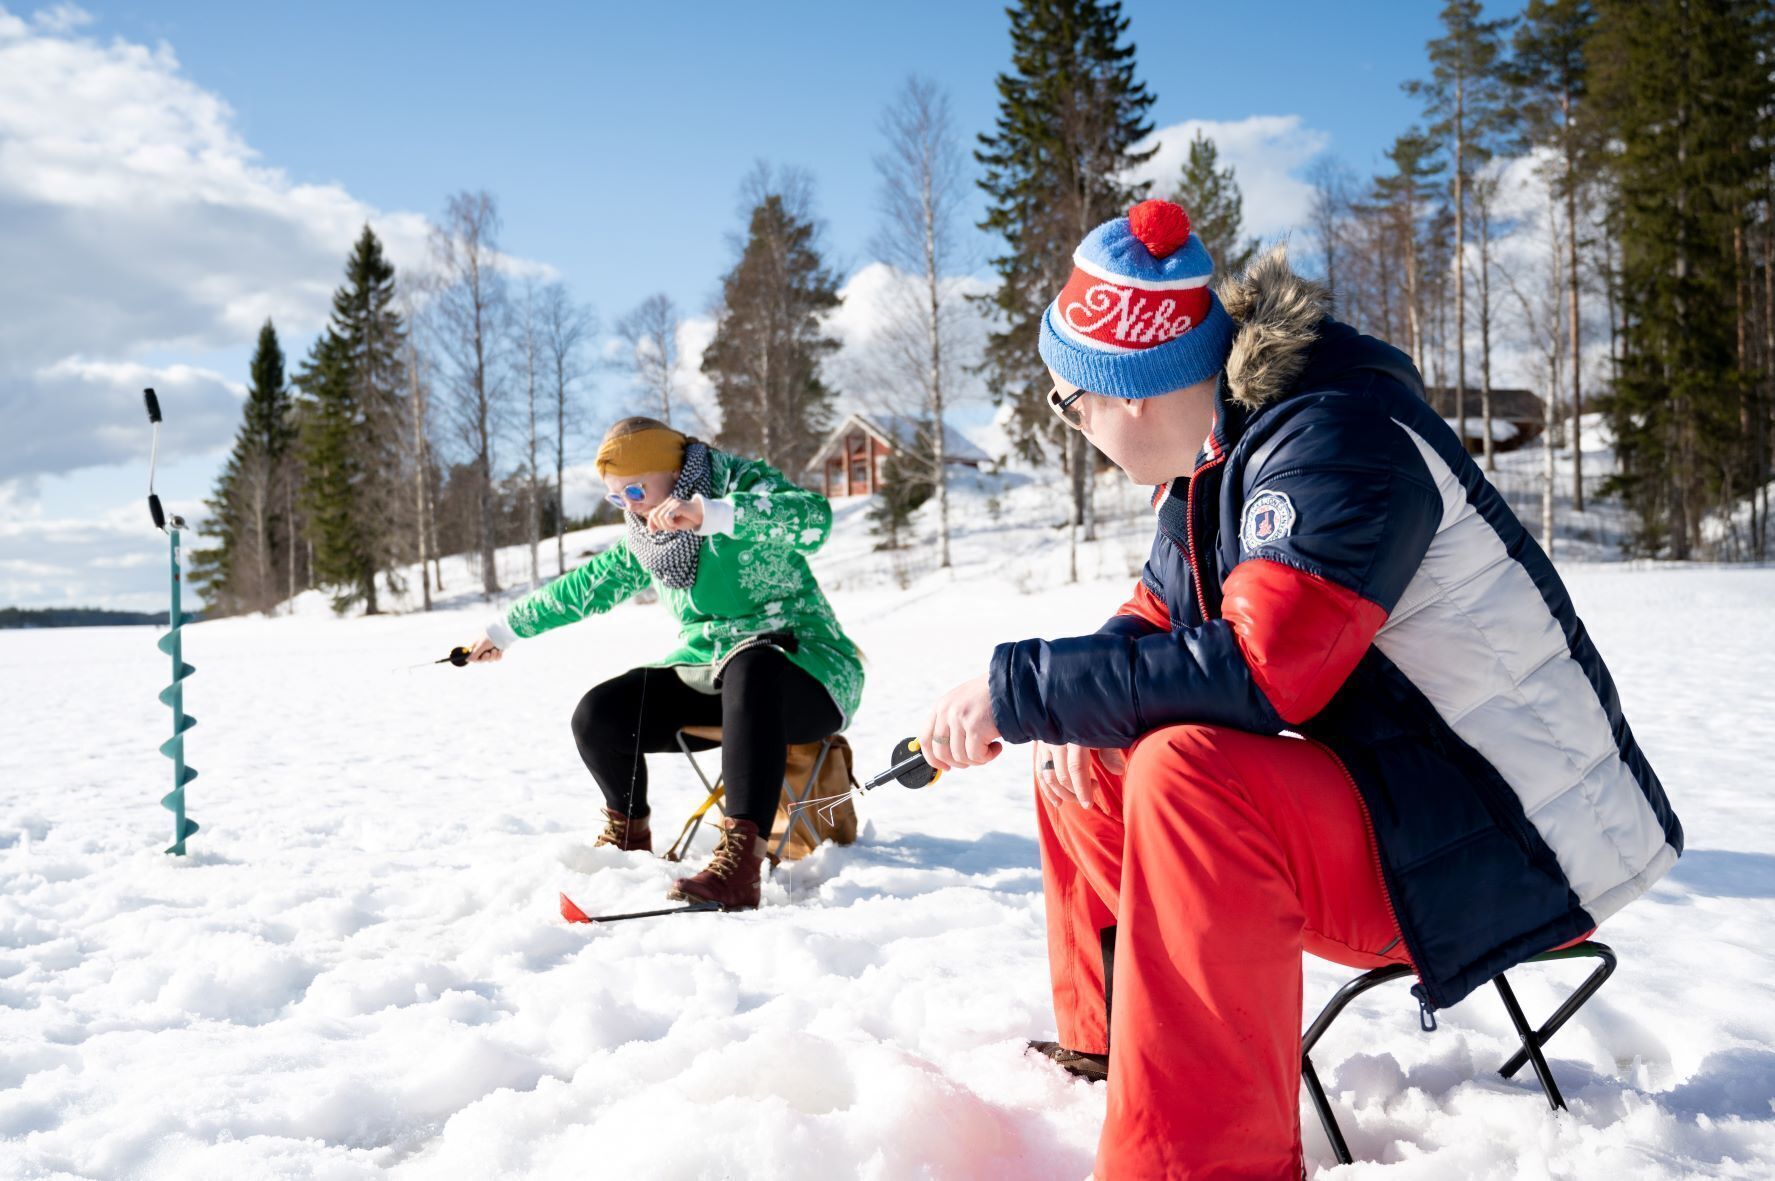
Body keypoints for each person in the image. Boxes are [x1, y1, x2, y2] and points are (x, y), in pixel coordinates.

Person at [917, 199, 1682, 1179]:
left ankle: (1199, 1162)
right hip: (1405, 802)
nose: (1073, 430)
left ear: (1133, 393)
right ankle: (1114, 1049)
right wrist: (1048, 704)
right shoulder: (1222, 453)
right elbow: (1155, 621)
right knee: (1087, 741)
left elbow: (1265, 670)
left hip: (1516, 841)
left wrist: (1024, 688)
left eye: (1068, 404)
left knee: (1190, 773)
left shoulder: (1335, 439)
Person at [467, 417, 864, 911]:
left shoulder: (737, 484)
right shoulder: (648, 536)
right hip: (713, 669)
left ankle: (740, 866)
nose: (629, 507)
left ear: (673, 473)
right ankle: (628, 842)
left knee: (752, 665)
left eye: (635, 490)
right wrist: (503, 632)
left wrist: (710, 514)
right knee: (602, 713)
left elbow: (812, 520)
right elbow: (586, 586)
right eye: (617, 498)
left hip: (805, 668)